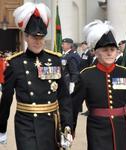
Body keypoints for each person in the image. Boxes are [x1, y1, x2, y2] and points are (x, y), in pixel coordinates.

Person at [0, 2, 73, 150]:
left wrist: (67, 125)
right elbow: (7, 97)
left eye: (41, 37)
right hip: (25, 123)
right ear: (26, 37)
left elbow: (64, 96)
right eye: (34, 37)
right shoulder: (15, 63)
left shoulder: (55, 60)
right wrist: (2, 127)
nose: (38, 41)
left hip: (51, 123)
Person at [72, 20, 126, 150]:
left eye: (112, 49)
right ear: (96, 52)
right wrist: (69, 129)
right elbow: (74, 105)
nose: (109, 53)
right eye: (105, 50)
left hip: (122, 129)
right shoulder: (86, 76)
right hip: (97, 130)